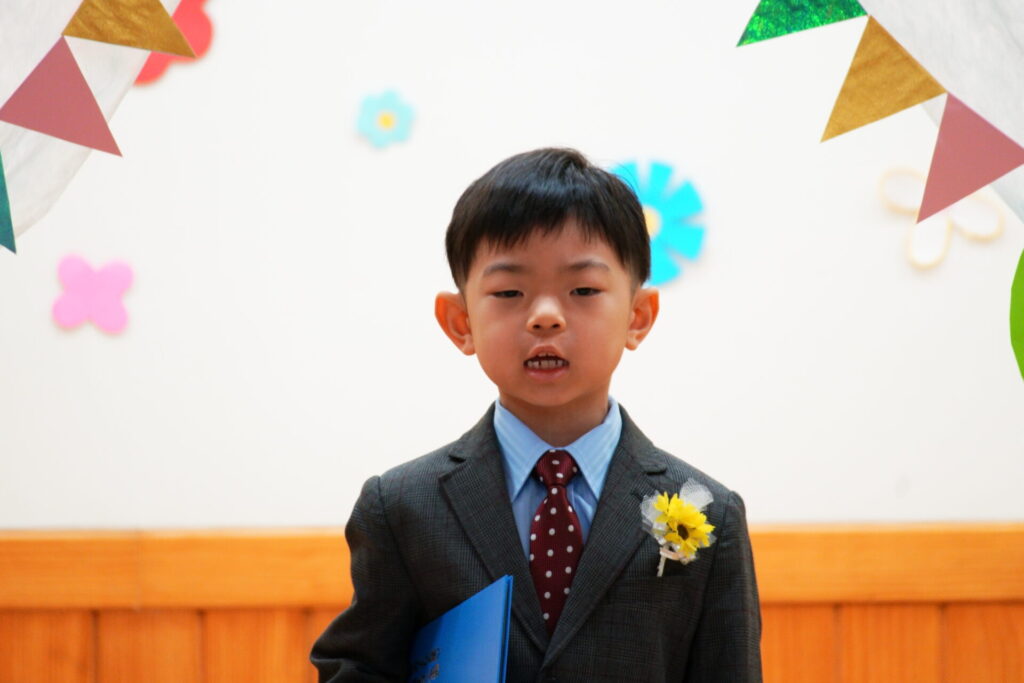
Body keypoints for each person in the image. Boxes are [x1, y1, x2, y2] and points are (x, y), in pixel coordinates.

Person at [311, 148, 761, 682]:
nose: (545, 316)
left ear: (638, 317)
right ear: (460, 322)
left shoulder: (713, 515)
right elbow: (358, 668)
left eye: (583, 290)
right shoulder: (403, 507)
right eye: (509, 292)